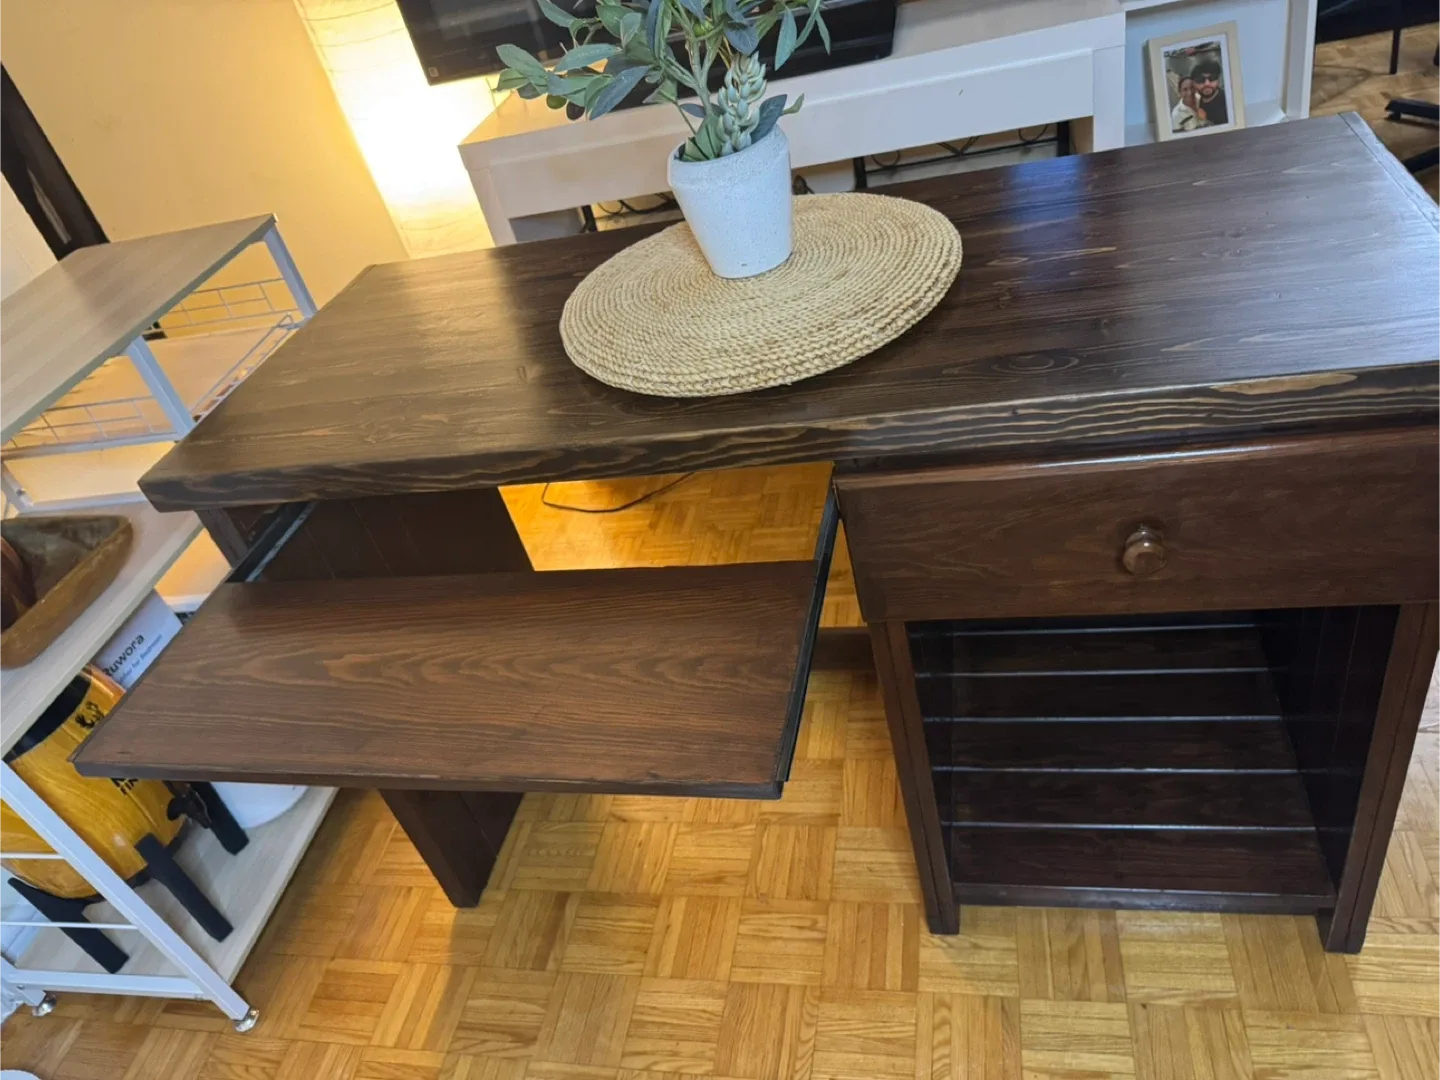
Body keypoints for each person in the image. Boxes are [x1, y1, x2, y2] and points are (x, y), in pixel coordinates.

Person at [1191, 57, 1229, 126]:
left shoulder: (1227, 103)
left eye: (1212, 78)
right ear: (1193, 83)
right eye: (1200, 80)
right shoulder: (1195, 101)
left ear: (1218, 80)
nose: (1207, 84)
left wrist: (1205, 121)